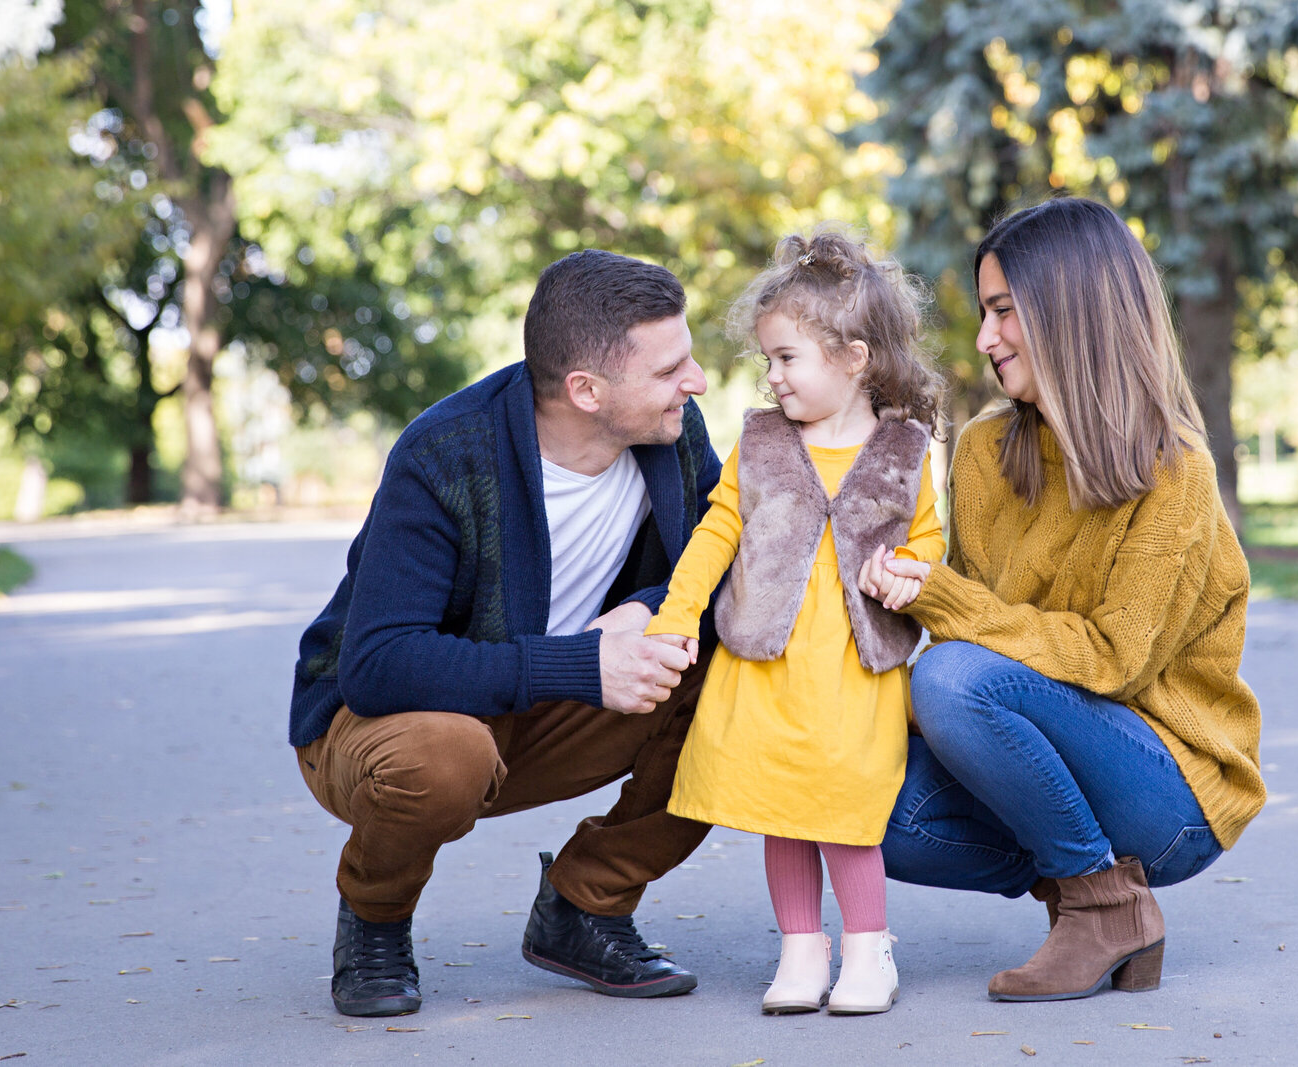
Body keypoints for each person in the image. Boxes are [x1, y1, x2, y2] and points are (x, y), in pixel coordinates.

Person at [289, 250, 722, 1017]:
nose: (695, 382)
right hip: (378, 728)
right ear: (586, 391)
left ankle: (585, 905)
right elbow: (380, 664)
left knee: (736, 682)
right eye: (669, 370)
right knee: (444, 755)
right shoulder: (445, 454)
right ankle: (375, 917)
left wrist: (653, 603)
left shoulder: (673, 433)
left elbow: (730, 558)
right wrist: (583, 666)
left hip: (542, 711)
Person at [858, 197, 1265, 1002]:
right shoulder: (979, 452)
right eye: (984, 312)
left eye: (1005, 311)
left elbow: (1110, 659)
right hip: (1047, 758)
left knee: (955, 679)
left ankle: (1101, 906)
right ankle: (1095, 895)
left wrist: (943, 602)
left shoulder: (1173, 472)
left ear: (1074, 312)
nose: (984, 338)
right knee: (862, 801)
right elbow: (976, 638)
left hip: (1168, 785)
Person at [643, 232, 946, 1016]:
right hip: (768, 664)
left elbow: (930, 537)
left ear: (853, 357)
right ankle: (800, 950)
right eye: (768, 360)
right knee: (782, 812)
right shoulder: (761, 442)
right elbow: (719, 530)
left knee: (845, 813)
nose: (771, 376)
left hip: (853, 668)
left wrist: (912, 568)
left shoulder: (905, 449)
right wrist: (676, 615)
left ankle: (868, 951)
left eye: (787, 358)